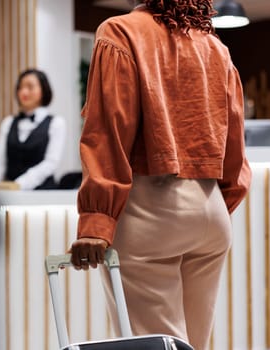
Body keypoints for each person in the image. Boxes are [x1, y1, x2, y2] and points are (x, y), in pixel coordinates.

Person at [68, 1, 252, 350]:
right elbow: (234, 147)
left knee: (157, 346)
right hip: (211, 214)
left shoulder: (120, 31)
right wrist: (215, 202)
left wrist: (97, 220)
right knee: (191, 345)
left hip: (151, 212)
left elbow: (109, 130)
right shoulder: (214, 47)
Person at [0, 69, 66, 190]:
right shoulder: (8, 122)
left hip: (44, 194)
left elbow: (51, 163)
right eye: (20, 87)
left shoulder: (56, 123)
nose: (24, 92)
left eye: (30, 87)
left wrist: (20, 184)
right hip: (12, 196)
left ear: (43, 90)